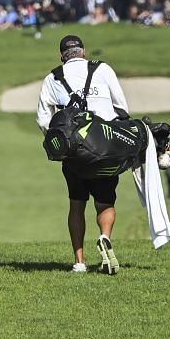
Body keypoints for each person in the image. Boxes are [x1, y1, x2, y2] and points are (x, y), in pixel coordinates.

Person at [34, 34, 130, 274]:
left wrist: (60, 140)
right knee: (105, 201)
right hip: (105, 149)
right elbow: (122, 108)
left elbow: (43, 119)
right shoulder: (103, 69)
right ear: (84, 52)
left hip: (74, 153)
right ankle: (105, 237)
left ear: (61, 56)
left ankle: (79, 262)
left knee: (76, 204)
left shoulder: (53, 78)